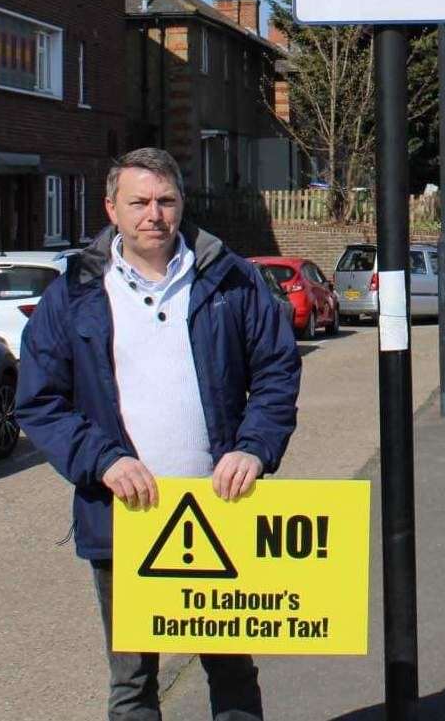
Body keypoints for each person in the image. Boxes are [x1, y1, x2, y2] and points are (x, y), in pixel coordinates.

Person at [18, 148, 301, 721]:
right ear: (111, 208)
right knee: (131, 683)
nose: (155, 214)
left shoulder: (231, 279)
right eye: (140, 201)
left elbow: (276, 370)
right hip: (125, 518)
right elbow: (40, 400)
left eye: (166, 200)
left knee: (231, 672)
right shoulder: (74, 292)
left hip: (219, 508)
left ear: (181, 204)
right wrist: (103, 461)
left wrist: (253, 447)